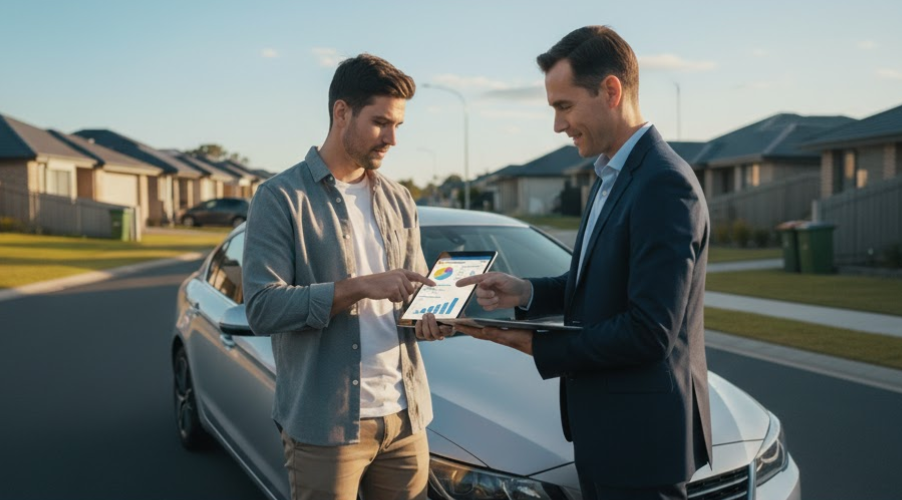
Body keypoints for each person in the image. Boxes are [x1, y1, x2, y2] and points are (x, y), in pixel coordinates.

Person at [417, 26, 712, 500]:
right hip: (602, 434)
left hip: (641, 444)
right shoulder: (607, 175)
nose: (558, 125)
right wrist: (528, 293)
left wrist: (534, 344)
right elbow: (598, 284)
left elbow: (649, 331)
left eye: (564, 106)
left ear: (611, 91)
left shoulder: (663, 184)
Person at [243, 53, 439, 500]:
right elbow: (262, 307)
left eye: (398, 126)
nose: (391, 138)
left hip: (407, 420)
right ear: (341, 112)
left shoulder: (400, 198)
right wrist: (360, 286)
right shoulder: (279, 198)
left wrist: (438, 315)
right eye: (380, 123)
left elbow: (412, 301)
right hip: (326, 428)